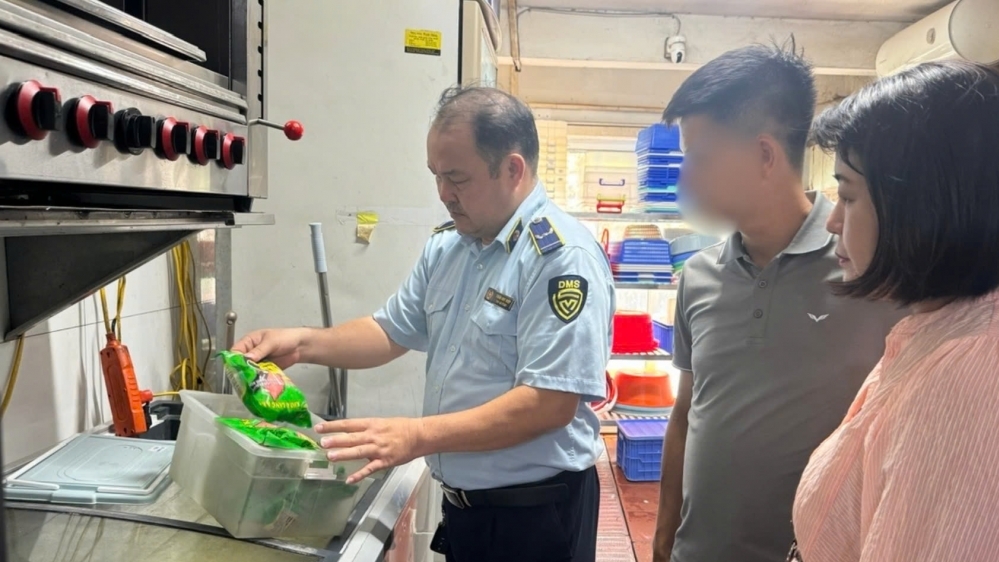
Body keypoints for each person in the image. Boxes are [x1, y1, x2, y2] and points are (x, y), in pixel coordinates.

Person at [233, 86, 614, 562]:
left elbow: (549, 403)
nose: (443, 194)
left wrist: (416, 436)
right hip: (469, 513)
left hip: (536, 516)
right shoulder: (451, 247)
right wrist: (303, 342)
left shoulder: (559, 258)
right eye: (436, 175)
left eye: (457, 178)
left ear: (513, 170)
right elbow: (389, 330)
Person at [651, 41, 905, 562]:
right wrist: (663, 538)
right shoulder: (698, 276)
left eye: (699, 158)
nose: (685, 179)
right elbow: (686, 413)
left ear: (765, 155)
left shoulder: (872, 272)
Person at [790, 61, 999, 562]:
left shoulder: (967, 375)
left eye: (847, 195)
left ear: (922, 206)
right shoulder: (936, 331)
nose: (833, 222)